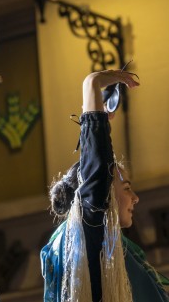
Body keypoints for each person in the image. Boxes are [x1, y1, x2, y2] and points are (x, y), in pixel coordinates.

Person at [41, 70, 169, 301]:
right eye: (127, 187)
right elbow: (98, 168)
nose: (135, 198)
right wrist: (92, 85)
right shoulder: (90, 229)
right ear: (105, 193)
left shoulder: (104, 246)